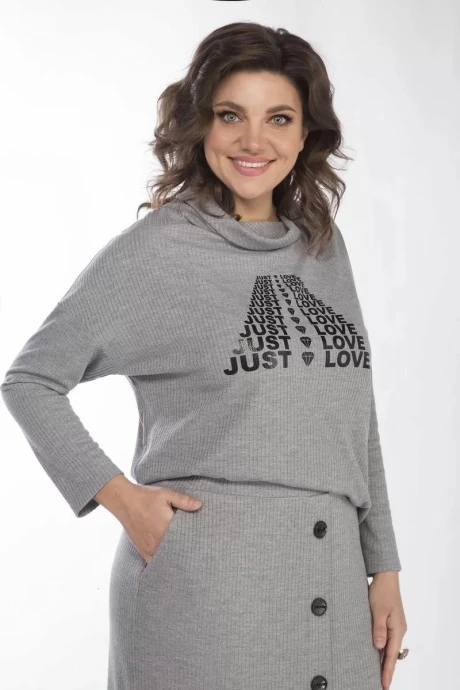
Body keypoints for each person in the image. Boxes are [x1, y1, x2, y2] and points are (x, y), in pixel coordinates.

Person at [0, 21, 408, 690]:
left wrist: (383, 567)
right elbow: (30, 380)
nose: (254, 141)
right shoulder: (159, 251)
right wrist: (125, 501)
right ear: (200, 125)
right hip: (208, 592)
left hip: (333, 587)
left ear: (305, 134)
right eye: (230, 115)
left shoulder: (323, 247)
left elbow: (356, 417)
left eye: (279, 118)